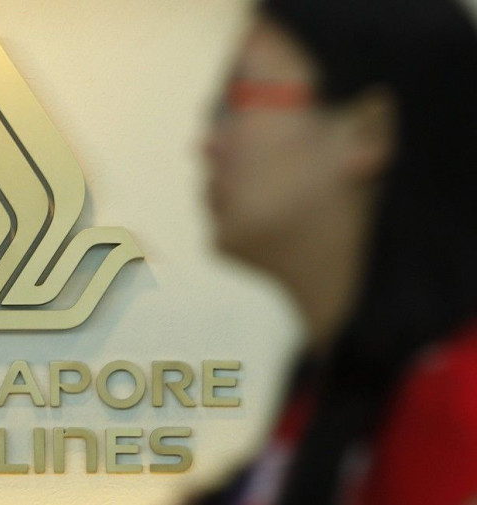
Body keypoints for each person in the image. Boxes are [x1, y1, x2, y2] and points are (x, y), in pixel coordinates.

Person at [196, 0, 477, 503]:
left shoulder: (458, 409)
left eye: (236, 99)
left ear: (369, 131)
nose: (208, 143)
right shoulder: (328, 394)